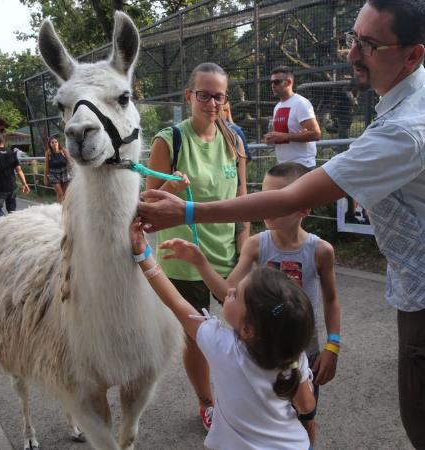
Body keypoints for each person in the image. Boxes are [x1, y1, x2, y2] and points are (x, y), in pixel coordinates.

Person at [138, 1, 425, 449]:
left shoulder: (408, 129)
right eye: (354, 37)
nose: (352, 53)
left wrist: (187, 212)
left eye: (369, 44)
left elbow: (292, 197)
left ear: (412, 55)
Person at [160, 161, 341, 446]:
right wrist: (201, 263)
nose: (264, 206)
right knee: (265, 412)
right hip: (259, 349)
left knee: (306, 413)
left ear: (304, 207)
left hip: (303, 350)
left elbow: (330, 298)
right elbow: (228, 291)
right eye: (262, 197)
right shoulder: (256, 245)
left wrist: (333, 344)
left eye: (275, 199)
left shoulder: (320, 251)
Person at [129, 219, 316, 450]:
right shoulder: (293, 355)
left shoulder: (220, 346)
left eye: (235, 294)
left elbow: (177, 302)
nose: (229, 291)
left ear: (248, 330)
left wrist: (143, 253)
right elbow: (307, 405)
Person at [145, 62, 249, 432]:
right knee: (199, 338)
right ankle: (207, 402)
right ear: (189, 96)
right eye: (203, 94)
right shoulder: (169, 140)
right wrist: (169, 189)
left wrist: (245, 250)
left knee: (243, 330)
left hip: (228, 258)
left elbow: (242, 201)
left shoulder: (234, 139)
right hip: (183, 261)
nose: (211, 102)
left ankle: (241, 397)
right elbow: (147, 205)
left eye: (218, 95)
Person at [264, 66, 321, 168]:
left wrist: (284, 136)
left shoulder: (301, 103)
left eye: (276, 82)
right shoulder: (277, 106)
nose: (273, 85)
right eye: (271, 82)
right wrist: (271, 139)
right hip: (283, 166)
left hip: (302, 165)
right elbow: (279, 135)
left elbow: (316, 134)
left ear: (289, 82)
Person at [0, 132, 30, 218]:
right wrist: (25, 184)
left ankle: (4, 224)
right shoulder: (12, 153)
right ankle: (13, 226)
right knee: (12, 211)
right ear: (3, 142)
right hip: (12, 187)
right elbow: (19, 170)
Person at [44, 137, 72, 203]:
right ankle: (60, 210)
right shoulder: (48, 153)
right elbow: (46, 166)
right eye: (52, 142)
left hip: (64, 173)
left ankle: (64, 208)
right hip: (53, 174)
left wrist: (73, 170)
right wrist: (45, 177)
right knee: (60, 193)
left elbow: (69, 161)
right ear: (50, 144)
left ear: (58, 143)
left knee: (65, 194)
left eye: (56, 142)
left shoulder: (63, 150)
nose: (54, 144)